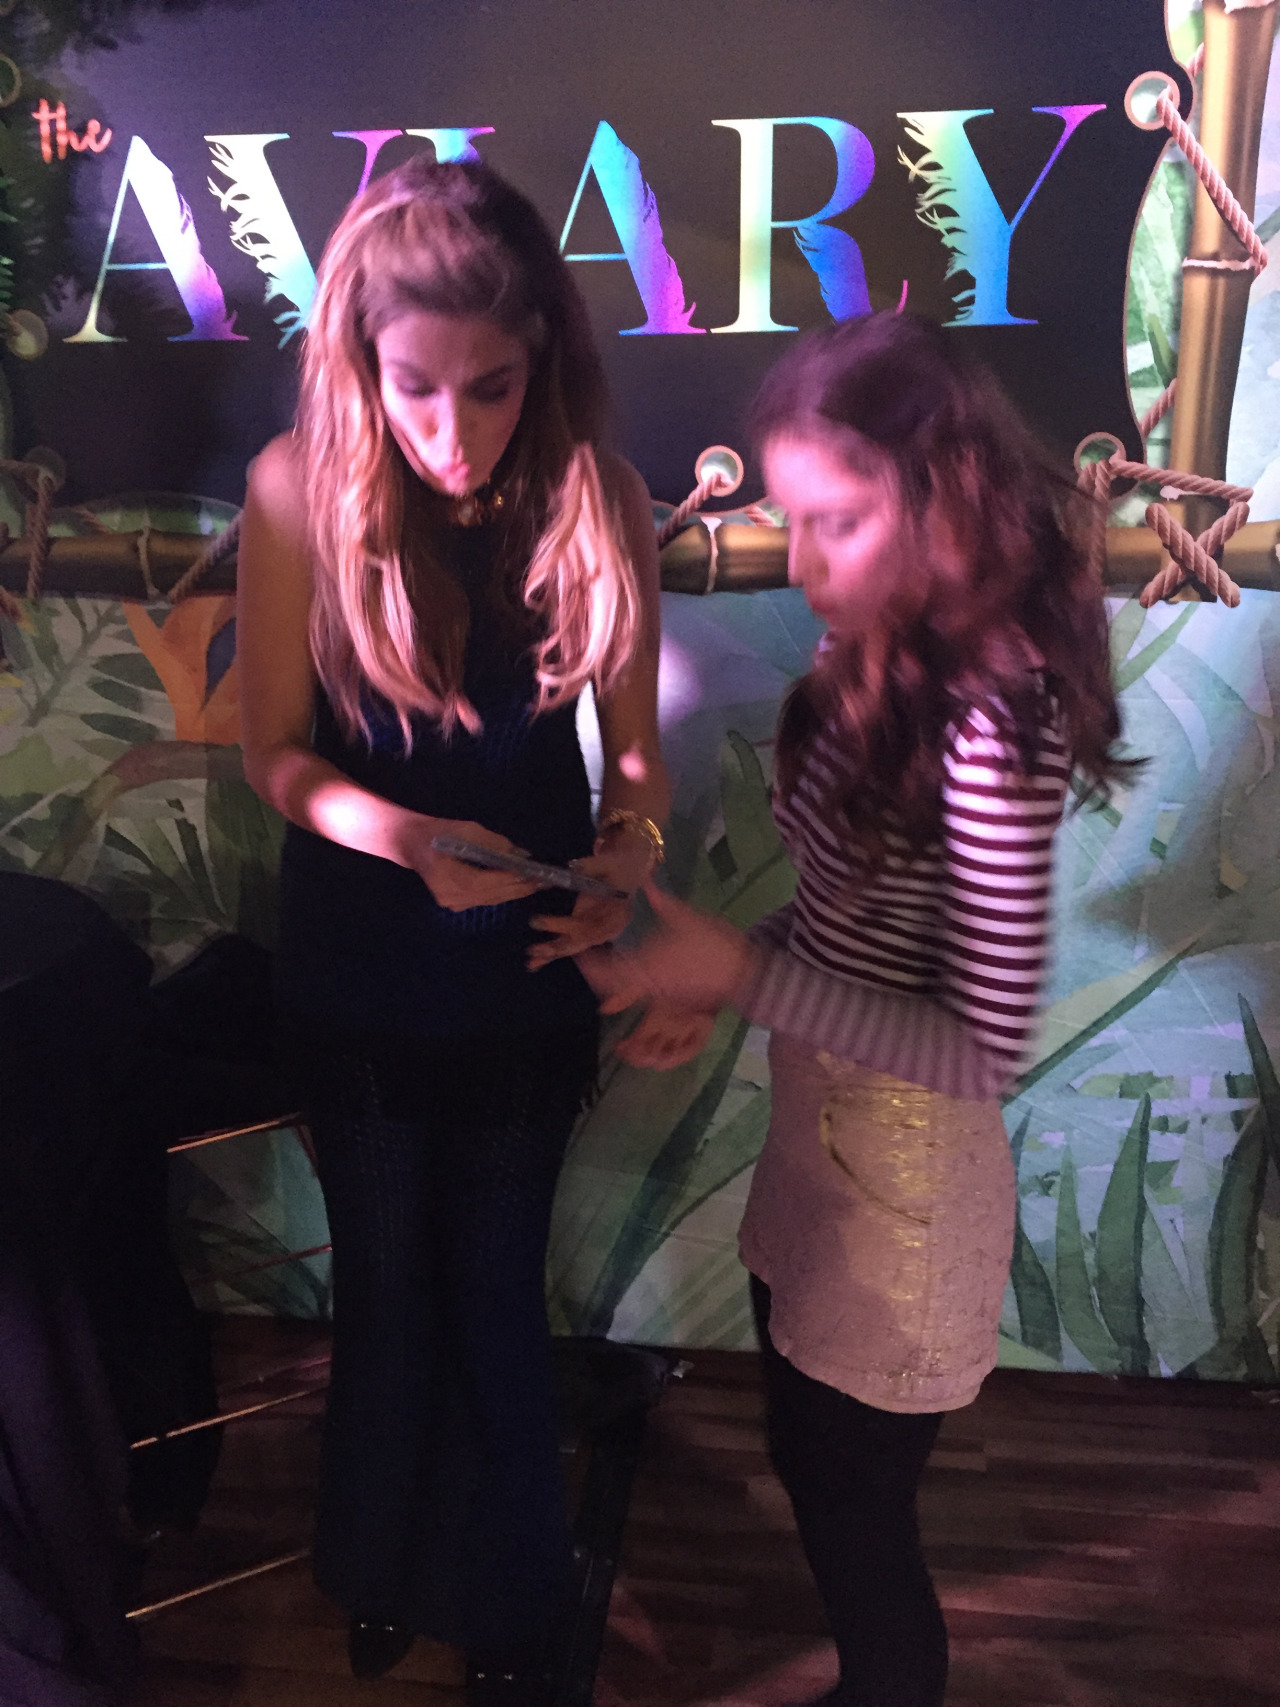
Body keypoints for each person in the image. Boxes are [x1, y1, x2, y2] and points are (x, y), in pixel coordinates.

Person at [586, 313, 1127, 1707]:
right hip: (823, 1143)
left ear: (944, 500)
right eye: (792, 520)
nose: (803, 562)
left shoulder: (991, 723)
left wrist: (738, 975)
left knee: (859, 1518)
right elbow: (851, 923)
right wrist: (721, 983)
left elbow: (981, 1043)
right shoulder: (883, 660)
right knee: (813, 1463)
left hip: (907, 1183)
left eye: (839, 521)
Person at [236, 157, 668, 1699]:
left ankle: (507, 1595)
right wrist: (406, 838)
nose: (451, 430)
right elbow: (272, 753)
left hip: (523, 963)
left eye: (491, 388)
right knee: (385, 1284)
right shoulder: (298, 485)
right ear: (361, 359)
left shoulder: (597, 493)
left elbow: (636, 759)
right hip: (359, 948)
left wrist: (627, 857)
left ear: (541, 355)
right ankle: (378, 1565)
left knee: (491, 1281)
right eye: (415, 387)